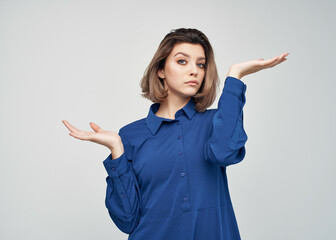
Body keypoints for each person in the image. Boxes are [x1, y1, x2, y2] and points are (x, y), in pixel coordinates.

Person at [62, 28, 288, 240]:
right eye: (182, 61)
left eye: (201, 65)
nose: (194, 71)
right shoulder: (130, 135)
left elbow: (224, 153)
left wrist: (235, 77)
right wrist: (116, 150)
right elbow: (127, 220)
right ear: (160, 70)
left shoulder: (214, 121)